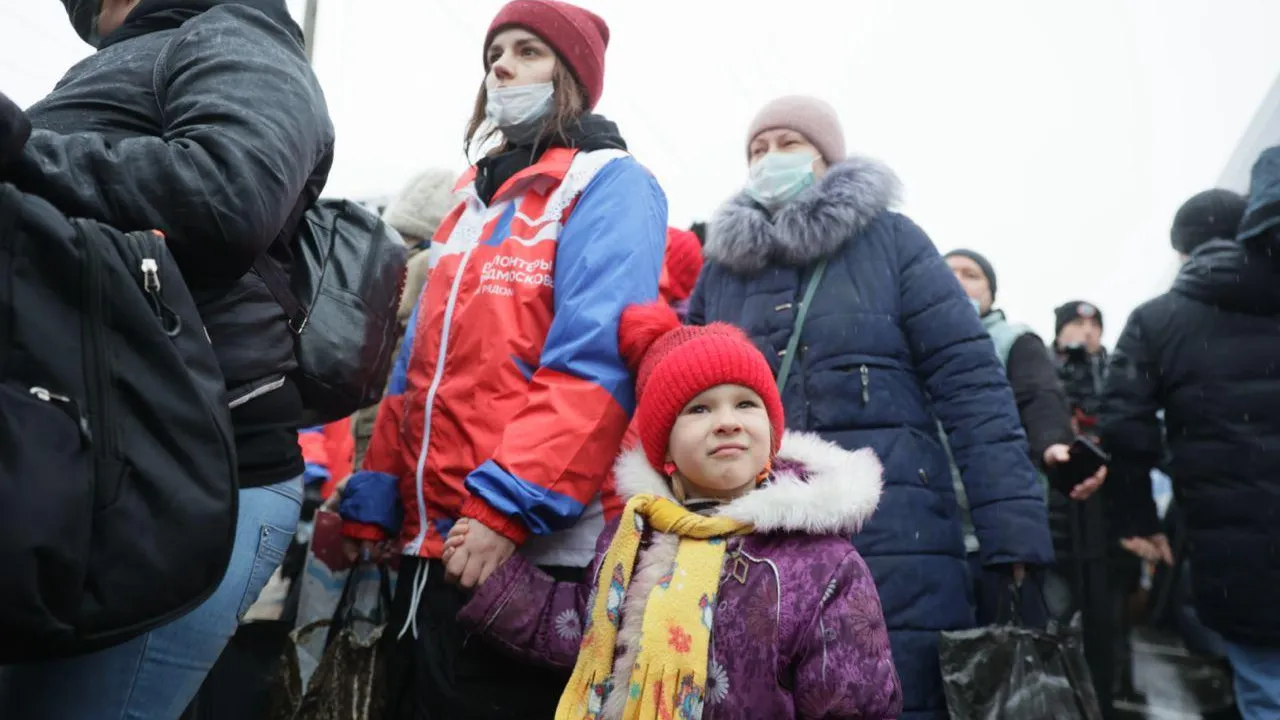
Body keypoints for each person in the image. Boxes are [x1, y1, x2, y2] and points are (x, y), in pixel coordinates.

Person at [0, 1, 332, 717]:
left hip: (181, 475)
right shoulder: (115, 64)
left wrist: (22, 148)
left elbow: (226, 194)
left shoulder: (234, 29)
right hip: (83, 454)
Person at [335, 2, 668, 717]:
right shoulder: (469, 203)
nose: (503, 69)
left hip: (525, 549)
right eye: (494, 57)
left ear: (573, 76)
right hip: (429, 546)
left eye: (529, 52)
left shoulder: (608, 184)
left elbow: (595, 362)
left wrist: (506, 505)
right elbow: (415, 370)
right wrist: (377, 493)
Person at [687, 95, 1052, 720]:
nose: (770, 160)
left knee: (896, 697)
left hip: (899, 539)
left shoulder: (894, 243)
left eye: (788, 145)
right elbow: (683, 401)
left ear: (828, 159)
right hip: (753, 542)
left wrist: (1011, 536)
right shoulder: (722, 271)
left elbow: (972, 389)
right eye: (757, 149)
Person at [445, 302, 903, 719]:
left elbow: (855, 702)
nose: (727, 421)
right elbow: (582, 629)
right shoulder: (632, 537)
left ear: (771, 430)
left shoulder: (822, 564)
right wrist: (496, 581)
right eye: (699, 409)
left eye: (746, 403)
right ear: (663, 449)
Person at [1099, 186, 1280, 718]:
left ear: (1184, 249)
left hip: (1236, 544)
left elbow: (1125, 425)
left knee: (1266, 684)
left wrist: (1137, 519)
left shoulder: (1159, 319)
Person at [1052, 300, 1108, 436]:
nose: (1088, 331)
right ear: (1060, 331)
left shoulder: (1117, 369)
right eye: (1078, 323)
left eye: (1094, 325)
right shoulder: (1040, 367)